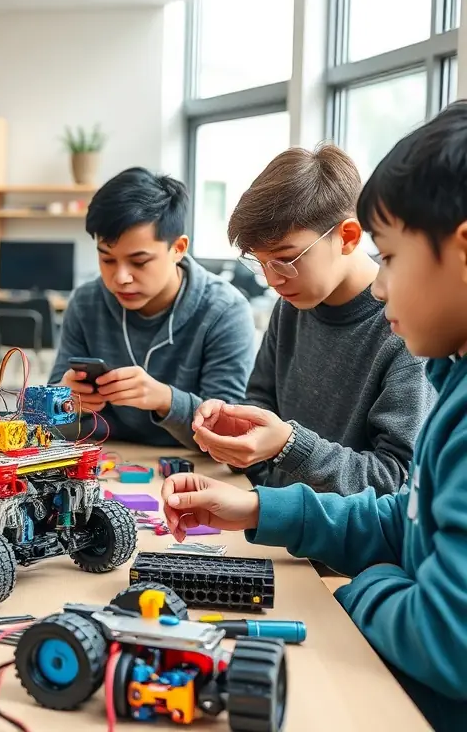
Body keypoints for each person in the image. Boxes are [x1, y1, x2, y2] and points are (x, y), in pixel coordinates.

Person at [164, 104, 467, 731]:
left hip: (370, 629)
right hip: (331, 582)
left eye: (393, 257)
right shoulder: (449, 370)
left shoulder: (416, 346)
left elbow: (444, 625)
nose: (383, 288)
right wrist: (257, 503)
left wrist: (365, 586)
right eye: (262, 263)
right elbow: (406, 518)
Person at [191, 144, 432, 496]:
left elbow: (396, 484)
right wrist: (237, 428)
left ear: (347, 237)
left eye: (285, 260)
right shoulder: (292, 305)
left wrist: (288, 446)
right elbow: (261, 403)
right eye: (259, 263)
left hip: (347, 548)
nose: (272, 280)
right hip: (280, 526)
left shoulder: (407, 328)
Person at [48, 167, 255, 448]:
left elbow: (231, 433)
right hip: (107, 463)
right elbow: (46, 425)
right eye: (107, 260)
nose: (121, 278)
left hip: (193, 471)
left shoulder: (224, 310)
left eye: (139, 261)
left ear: (178, 248)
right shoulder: (86, 302)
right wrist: (64, 402)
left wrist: (166, 400)